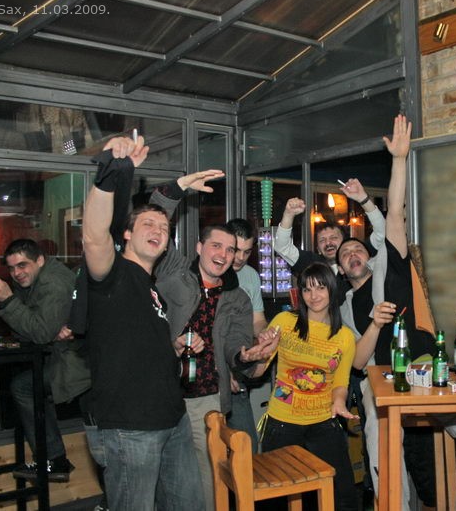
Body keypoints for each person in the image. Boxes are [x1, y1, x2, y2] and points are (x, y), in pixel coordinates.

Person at [81, 134, 204, 510]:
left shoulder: (153, 289)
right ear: (127, 234)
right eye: (148, 224)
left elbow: (135, 345)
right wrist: (109, 175)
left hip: (172, 418)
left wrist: (174, 348)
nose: (158, 231)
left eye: (164, 229)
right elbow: (94, 236)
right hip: (130, 428)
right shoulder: (112, 273)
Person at [151, 179, 277, 509]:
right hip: (159, 392)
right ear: (199, 247)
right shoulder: (175, 273)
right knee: (160, 479)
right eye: (216, 246)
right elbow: (154, 224)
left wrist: (247, 355)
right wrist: (176, 189)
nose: (223, 254)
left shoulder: (237, 299)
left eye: (230, 250)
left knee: (207, 483)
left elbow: (236, 346)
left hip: (205, 399)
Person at [337, 115, 439, 509]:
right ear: (341, 270)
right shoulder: (345, 306)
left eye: (357, 248)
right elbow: (357, 361)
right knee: (378, 434)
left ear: (371, 255)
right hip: (378, 377)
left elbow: (394, 215)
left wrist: (399, 160)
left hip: (422, 366)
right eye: (345, 255)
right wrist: (376, 324)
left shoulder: (388, 268)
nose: (352, 254)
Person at [255, 262, 358, 511]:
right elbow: (259, 368)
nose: (314, 296)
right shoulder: (284, 321)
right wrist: (255, 354)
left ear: (332, 290)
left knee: (341, 497)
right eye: (307, 289)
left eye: (320, 288)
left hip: (324, 423)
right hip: (282, 424)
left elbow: (341, 383)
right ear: (300, 294)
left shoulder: (344, 336)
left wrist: (339, 402)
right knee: (277, 500)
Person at [0, 238, 90, 482]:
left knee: (23, 386)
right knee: (24, 382)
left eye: (22, 265)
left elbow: (40, 333)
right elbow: (29, 331)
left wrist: (8, 300)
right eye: (12, 268)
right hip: (67, 357)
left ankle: (53, 459)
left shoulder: (53, 283)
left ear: (40, 260)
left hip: (82, 363)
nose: (17, 273)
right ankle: (53, 458)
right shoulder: (35, 281)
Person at [273, 178, 385, 279]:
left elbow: (382, 232)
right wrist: (288, 214)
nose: (328, 243)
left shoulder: (359, 255)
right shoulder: (313, 263)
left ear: (344, 241)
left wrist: (363, 199)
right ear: (318, 248)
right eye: (322, 240)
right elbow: (282, 247)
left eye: (333, 238)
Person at [226, 217, 268, 454]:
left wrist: (265, 336)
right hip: (211, 374)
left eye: (247, 251)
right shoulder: (211, 271)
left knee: (247, 447)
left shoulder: (250, 275)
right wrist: (221, 372)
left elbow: (257, 320)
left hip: (239, 369)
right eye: (236, 250)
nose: (240, 258)